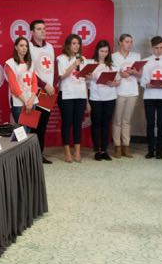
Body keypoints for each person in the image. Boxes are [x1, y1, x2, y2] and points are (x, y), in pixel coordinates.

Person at [56, 33, 90, 163]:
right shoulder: (61, 58)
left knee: (77, 124)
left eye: (78, 44)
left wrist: (88, 76)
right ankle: (67, 152)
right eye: (74, 43)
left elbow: (85, 81)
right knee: (67, 123)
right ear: (68, 45)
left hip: (80, 95)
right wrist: (73, 64)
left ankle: (77, 151)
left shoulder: (83, 59)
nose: (76, 46)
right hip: (66, 95)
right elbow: (61, 77)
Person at [140, 36, 162, 159]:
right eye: (156, 48)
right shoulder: (145, 61)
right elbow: (142, 80)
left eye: (161, 48)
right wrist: (146, 84)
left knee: (161, 124)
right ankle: (150, 150)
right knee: (150, 124)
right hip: (149, 96)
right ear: (151, 47)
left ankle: (159, 150)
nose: (158, 51)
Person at [111, 33, 142, 158]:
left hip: (132, 91)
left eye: (131, 42)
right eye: (127, 42)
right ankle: (117, 146)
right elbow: (111, 73)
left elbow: (140, 74)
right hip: (119, 91)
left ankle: (126, 145)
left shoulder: (136, 56)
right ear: (120, 42)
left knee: (127, 120)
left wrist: (134, 72)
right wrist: (120, 74)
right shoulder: (113, 57)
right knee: (117, 120)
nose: (129, 44)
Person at [29, 19, 56, 164]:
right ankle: (31, 156)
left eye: (44, 28)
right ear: (32, 32)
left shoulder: (50, 47)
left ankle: (40, 154)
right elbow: (29, 70)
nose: (43, 31)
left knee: (43, 125)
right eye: (39, 29)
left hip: (49, 92)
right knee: (32, 125)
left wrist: (53, 85)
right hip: (35, 91)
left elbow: (54, 68)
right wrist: (44, 84)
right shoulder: (28, 47)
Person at [87, 40, 118, 161]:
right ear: (97, 51)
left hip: (110, 97)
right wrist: (90, 78)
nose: (103, 54)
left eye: (106, 51)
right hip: (96, 98)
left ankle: (105, 150)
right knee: (96, 124)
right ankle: (97, 150)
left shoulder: (112, 65)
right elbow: (86, 81)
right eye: (101, 51)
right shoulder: (91, 63)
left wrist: (113, 83)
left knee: (106, 124)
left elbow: (117, 81)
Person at [5, 36, 37, 127]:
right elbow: (14, 87)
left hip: (32, 101)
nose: (24, 48)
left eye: (26, 46)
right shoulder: (10, 64)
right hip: (18, 102)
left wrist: (31, 100)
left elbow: (34, 83)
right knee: (20, 131)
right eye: (21, 45)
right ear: (16, 47)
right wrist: (26, 102)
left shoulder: (30, 63)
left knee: (28, 130)